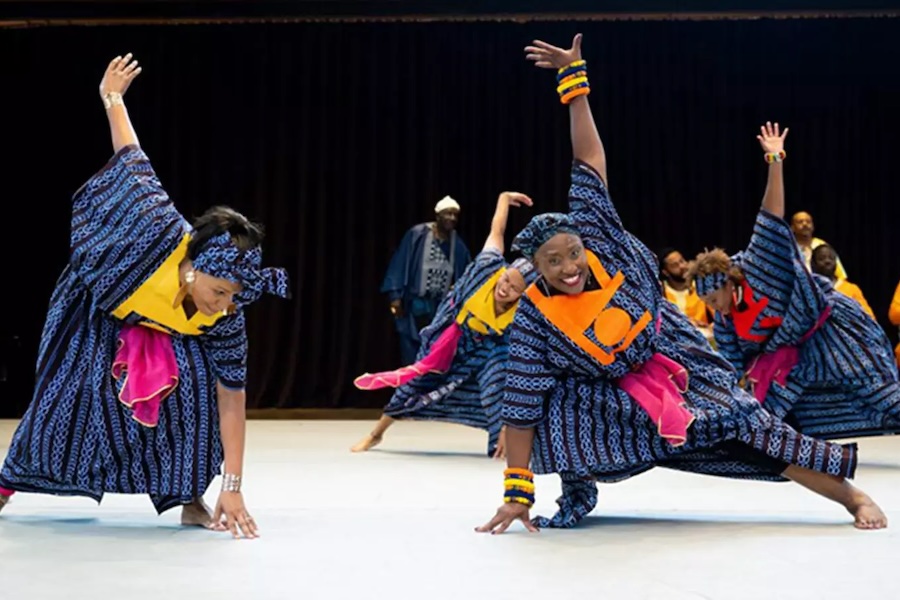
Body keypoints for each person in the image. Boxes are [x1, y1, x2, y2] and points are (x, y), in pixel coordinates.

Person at [476, 35, 886, 535]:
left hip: (674, 356)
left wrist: (573, 84)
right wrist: (517, 493)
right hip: (611, 399)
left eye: (573, 254)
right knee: (552, 413)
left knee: (744, 429)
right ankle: (577, 487)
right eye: (553, 261)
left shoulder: (599, 235)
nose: (569, 267)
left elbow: (589, 161)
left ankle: (850, 495)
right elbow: (520, 407)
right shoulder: (536, 321)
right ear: (536, 265)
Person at [0, 54, 290, 540]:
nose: (224, 305)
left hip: (165, 328)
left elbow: (231, 399)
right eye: (218, 292)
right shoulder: (158, 230)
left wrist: (234, 484)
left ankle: (189, 493)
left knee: (196, 389)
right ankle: (8, 482)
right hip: (100, 306)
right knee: (68, 394)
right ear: (194, 268)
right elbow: (132, 158)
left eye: (233, 297)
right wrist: (112, 98)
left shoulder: (225, 316)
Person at [692, 128, 900, 442]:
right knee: (775, 414)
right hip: (795, 360)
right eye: (706, 302)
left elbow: (770, 214)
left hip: (832, 331)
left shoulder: (758, 266)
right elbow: (735, 368)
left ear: (726, 282)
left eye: (713, 298)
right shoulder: (725, 322)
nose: (713, 307)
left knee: (880, 394)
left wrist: (775, 160)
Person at [353, 191, 537, 457]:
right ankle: (375, 435)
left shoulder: (524, 312)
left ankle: (507, 445)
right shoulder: (488, 267)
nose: (504, 288)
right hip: (455, 340)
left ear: (523, 293)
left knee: (499, 387)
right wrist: (503, 199)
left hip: (489, 349)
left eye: (513, 288)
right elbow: (497, 230)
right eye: (505, 280)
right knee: (415, 385)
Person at [381, 197, 472, 365]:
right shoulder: (417, 235)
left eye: (455, 215)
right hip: (416, 304)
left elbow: (466, 273)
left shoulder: (457, 244)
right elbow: (400, 263)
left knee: (436, 350)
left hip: (440, 309)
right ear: (438, 215)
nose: (452, 218)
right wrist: (395, 296)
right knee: (413, 348)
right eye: (448, 214)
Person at [810, 244, 875, 319]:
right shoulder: (809, 289)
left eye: (831, 258)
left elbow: (869, 318)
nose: (827, 261)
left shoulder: (852, 289)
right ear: (813, 264)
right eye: (821, 258)